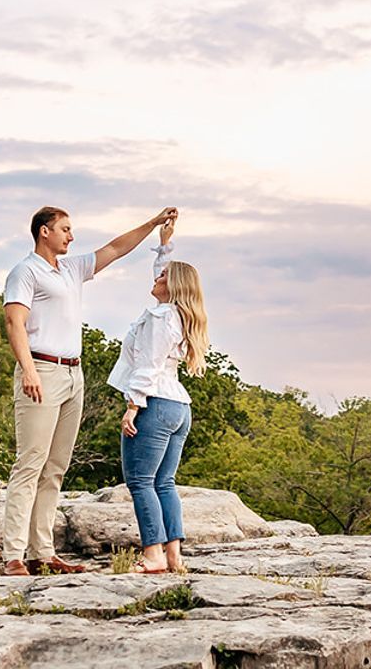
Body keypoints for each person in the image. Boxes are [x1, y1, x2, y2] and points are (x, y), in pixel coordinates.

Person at [0, 203, 177, 576]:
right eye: (65, 229)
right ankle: (13, 554)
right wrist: (28, 370)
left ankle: (42, 552)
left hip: (73, 375)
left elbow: (115, 249)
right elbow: (15, 323)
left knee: (55, 468)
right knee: (30, 463)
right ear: (44, 231)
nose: (71, 235)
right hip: (41, 369)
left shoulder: (71, 268)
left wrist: (153, 222)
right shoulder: (25, 271)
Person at [105, 215, 209, 574]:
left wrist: (133, 408)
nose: (156, 277)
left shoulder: (161, 316)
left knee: (140, 481)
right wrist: (166, 242)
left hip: (155, 404)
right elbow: (168, 273)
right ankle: (174, 556)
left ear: (173, 286)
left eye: (162, 276)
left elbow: (147, 365)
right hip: (179, 406)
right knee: (164, 482)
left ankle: (152, 555)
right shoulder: (179, 315)